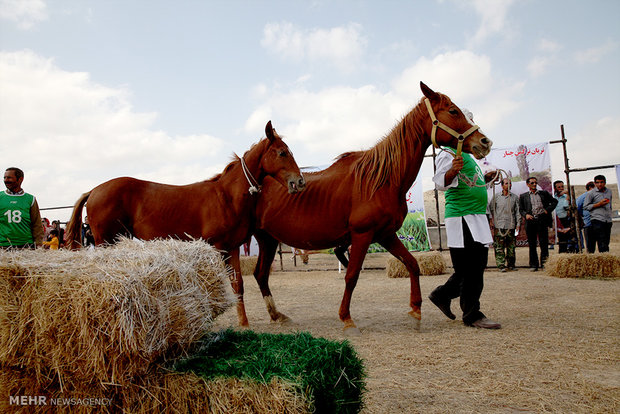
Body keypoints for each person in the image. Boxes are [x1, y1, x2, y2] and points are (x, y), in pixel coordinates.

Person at [428, 147, 501, 329]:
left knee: (472, 268)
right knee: (471, 269)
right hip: (462, 216)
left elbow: (468, 182)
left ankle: (442, 295)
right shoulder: (449, 153)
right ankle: (471, 314)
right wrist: (453, 170)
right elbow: (440, 183)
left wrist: (486, 179)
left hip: (476, 216)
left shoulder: (468, 155)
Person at [519, 177, 558, 271]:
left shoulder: (543, 193)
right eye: (532, 183)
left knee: (544, 243)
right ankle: (533, 265)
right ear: (527, 184)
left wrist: (547, 211)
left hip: (542, 220)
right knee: (532, 244)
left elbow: (554, 201)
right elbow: (521, 209)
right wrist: (526, 215)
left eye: (536, 183)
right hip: (531, 221)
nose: (534, 184)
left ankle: (545, 264)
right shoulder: (524, 196)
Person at [1, 167, 44, 248]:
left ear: (20, 179)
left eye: (9, 177)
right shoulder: (0, 197)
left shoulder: (30, 199)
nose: (6, 180)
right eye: (4, 177)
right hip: (3, 246)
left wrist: (38, 244)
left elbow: (37, 224)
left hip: (26, 246)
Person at [488, 177, 521, 272]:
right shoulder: (496, 197)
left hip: (511, 225)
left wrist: (518, 224)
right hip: (499, 226)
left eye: (510, 183)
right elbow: (491, 209)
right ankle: (501, 265)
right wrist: (491, 220)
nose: (508, 185)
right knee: (499, 247)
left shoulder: (515, 197)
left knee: (511, 247)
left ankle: (511, 265)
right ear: (502, 185)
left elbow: (517, 211)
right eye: (506, 183)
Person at [583, 175, 613, 253]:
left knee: (606, 242)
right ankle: (602, 258)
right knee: (601, 241)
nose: (600, 184)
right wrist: (598, 204)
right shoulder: (591, 193)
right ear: (595, 183)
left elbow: (610, 205)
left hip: (608, 220)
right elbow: (585, 206)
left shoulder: (609, 191)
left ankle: (606, 259)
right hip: (597, 219)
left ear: (605, 183)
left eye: (601, 182)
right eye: (597, 182)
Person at [553, 180, 571, 253]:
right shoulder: (553, 197)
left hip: (564, 219)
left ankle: (563, 252)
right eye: (559, 187)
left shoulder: (566, 196)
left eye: (562, 187)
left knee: (564, 238)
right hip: (555, 219)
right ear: (555, 188)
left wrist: (567, 196)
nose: (561, 188)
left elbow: (566, 206)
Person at [576, 181, 595, 251]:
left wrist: (583, 214)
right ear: (590, 187)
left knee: (590, 245)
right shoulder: (584, 197)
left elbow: (578, 208)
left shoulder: (582, 197)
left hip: (589, 222)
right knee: (593, 244)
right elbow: (577, 208)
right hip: (589, 222)